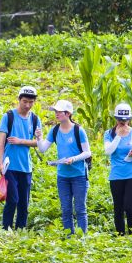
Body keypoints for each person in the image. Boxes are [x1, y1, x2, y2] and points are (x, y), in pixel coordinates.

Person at [36, 100, 91, 235]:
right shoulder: (54, 130)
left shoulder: (79, 130)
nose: (56, 114)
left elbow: (87, 152)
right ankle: (69, 237)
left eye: (59, 112)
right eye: (55, 111)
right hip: (63, 176)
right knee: (66, 209)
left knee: (80, 208)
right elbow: (43, 149)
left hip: (78, 175)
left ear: (68, 113)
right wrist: (39, 137)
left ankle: (82, 237)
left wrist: (73, 159)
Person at [0, 86, 42, 230]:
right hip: (9, 165)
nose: (27, 105)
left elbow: (39, 143)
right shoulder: (8, 117)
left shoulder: (35, 119)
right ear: (19, 100)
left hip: (26, 166)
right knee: (13, 200)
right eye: (24, 102)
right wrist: (0, 163)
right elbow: (1, 142)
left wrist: (21, 141)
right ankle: (7, 229)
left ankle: (21, 230)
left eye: (31, 102)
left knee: (24, 202)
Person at [104, 103, 132, 235]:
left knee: (129, 206)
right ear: (116, 119)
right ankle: (120, 234)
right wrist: (118, 136)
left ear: (130, 119)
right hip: (116, 175)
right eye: (120, 120)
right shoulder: (109, 134)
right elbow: (108, 151)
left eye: (125, 120)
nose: (123, 123)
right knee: (118, 207)